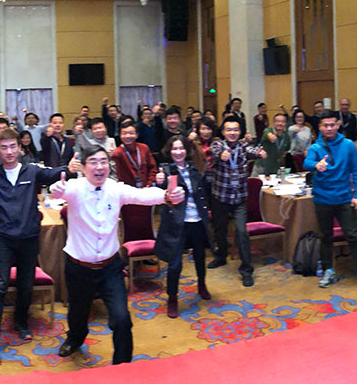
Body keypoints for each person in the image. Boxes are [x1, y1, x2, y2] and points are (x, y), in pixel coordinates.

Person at [0, 129, 82, 366]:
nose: (9, 151)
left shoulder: (32, 170)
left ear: (20, 148)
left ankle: (21, 321)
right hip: (3, 238)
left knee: (26, 284)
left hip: (29, 237)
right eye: (4, 147)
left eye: (13, 146)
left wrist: (69, 168)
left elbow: (53, 173)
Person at [49, 146, 177, 365]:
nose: (99, 167)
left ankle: (122, 365)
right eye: (93, 162)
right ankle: (75, 338)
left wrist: (166, 195)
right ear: (84, 167)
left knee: (121, 319)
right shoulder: (74, 188)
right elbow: (57, 192)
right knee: (78, 313)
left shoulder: (115, 188)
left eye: (103, 162)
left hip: (110, 268)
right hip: (78, 267)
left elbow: (141, 195)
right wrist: (56, 187)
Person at [303, 111, 357, 292]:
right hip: (322, 199)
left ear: (338, 125)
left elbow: (355, 171)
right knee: (325, 237)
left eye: (332, 125)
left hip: (343, 198)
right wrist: (316, 165)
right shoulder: (316, 147)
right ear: (320, 127)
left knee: (352, 235)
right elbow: (306, 163)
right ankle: (328, 270)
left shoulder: (348, 145)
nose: (329, 128)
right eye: (325, 125)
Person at [154, 136, 211, 318]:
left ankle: (201, 284)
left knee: (200, 257)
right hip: (176, 224)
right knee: (175, 264)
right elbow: (159, 191)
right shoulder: (165, 170)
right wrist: (158, 181)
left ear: (187, 150)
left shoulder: (194, 168)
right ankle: (172, 298)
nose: (178, 152)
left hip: (197, 220)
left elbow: (203, 191)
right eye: (174, 149)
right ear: (169, 151)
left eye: (181, 148)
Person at [208, 116, 266, 287]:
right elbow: (215, 153)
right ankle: (221, 256)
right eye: (229, 130)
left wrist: (261, 153)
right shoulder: (217, 145)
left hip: (239, 198)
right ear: (223, 132)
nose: (232, 133)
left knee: (241, 232)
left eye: (235, 130)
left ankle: (246, 270)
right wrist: (222, 156)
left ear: (240, 132)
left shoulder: (243, 147)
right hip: (220, 196)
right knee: (219, 229)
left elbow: (254, 151)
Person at [111, 121, 157, 187]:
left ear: (137, 135)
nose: (128, 136)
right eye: (124, 133)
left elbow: (152, 167)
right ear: (120, 136)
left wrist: (149, 183)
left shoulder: (144, 148)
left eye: (131, 133)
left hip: (146, 187)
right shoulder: (118, 152)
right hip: (126, 189)